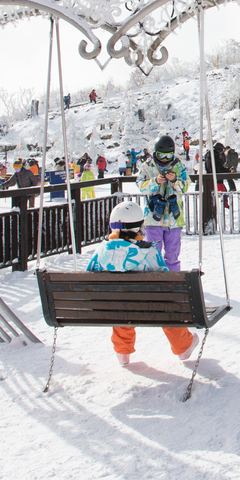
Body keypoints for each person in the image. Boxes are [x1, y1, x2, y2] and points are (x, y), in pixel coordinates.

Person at [94, 199, 200, 365]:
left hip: (114, 306)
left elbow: (91, 273)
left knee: (122, 305)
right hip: (150, 306)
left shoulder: (102, 252)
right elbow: (164, 278)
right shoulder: (148, 252)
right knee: (166, 307)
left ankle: (122, 350)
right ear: (138, 227)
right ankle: (183, 346)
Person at [137, 135, 188, 270]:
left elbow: (186, 186)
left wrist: (175, 181)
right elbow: (141, 186)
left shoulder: (178, 166)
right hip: (154, 217)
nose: (165, 159)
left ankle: (174, 280)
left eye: (168, 156)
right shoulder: (147, 166)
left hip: (174, 218)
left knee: (172, 254)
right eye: (161, 156)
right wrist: (154, 182)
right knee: (153, 253)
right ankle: (155, 284)